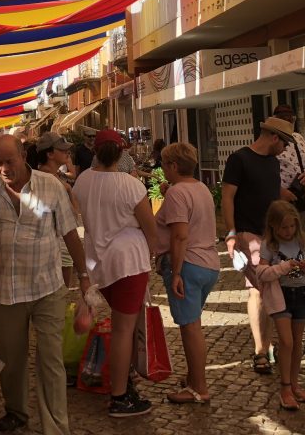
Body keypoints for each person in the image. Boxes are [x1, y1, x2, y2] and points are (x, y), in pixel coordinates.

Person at [0, 134, 89, 435]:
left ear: (23, 155)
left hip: (47, 286)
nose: (3, 167)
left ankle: (56, 426)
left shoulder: (51, 186)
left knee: (50, 359)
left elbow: (69, 233)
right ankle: (16, 411)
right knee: (10, 359)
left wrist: (84, 276)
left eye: (9, 161)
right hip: (6, 290)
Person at [74, 129, 159, 417]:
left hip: (99, 263)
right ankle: (119, 396)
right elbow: (150, 229)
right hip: (128, 263)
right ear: (122, 153)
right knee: (125, 330)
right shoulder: (131, 186)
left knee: (125, 326)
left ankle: (125, 384)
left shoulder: (83, 181)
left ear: (95, 152)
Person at [221, 115, 294, 376]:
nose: (286, 149)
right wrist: (232, 233)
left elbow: (272, 197)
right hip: (248, 234)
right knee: (257, 291)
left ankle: (269, 344)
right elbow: (227, 197)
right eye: (284, 143)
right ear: (274, 137)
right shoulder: (239, 159)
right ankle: (260, 349)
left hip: (273, 237)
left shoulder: (273, 163)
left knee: (272, 290)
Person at [153, 142, 219, 405]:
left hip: (188, 265)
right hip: (208, 263)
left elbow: (180, 235)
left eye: (164, 165)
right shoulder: (200, 187)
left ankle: (198, 388)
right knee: (194, 323)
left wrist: (177, 272)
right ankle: (194, 377)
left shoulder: (178, 193)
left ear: (173, 166)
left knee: (190, 327)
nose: (162, 169)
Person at [256, 201, 305, 411]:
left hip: (300, 295)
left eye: (291, 226)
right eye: (284, 227)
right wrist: (282, 267)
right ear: (273, 226)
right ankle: (284, 387)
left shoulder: (301, 241)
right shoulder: (269, 246)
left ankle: (294, 383)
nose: (288, 231)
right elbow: (261, 273)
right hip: (280, 297)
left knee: (297, 343)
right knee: (287, 341)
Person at [271, 103, 305, 306]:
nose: (288, 121)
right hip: (284, 202)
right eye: (283, 117)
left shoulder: (300, 138)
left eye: (290, 117)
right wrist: (280, 192)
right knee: (286, 247)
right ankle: (291, 290)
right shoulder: (273, 142)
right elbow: (266, 172)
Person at [33, 132, 80, 290]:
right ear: (50, 154)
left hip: (55, 241)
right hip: (57, 241)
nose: (67, 152)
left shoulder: (50, 176)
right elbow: (73, 214)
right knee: (61, 291)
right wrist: (69, 191)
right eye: (62, 149)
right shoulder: (49, 180)